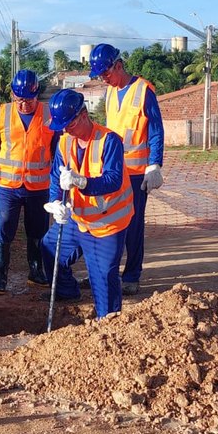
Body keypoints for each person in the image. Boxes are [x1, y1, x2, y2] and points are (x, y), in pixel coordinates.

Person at [40, 90, 133, 319]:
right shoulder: (64, 142)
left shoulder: (109, 140)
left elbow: (113, 179)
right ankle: (67, 292)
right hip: (78, 218)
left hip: (107, 222)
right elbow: (56, 176)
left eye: (69, 124)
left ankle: (109, 323)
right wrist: (55, 201)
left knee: (103, 278)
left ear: (83, 115)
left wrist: (82, 182)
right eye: (62, 126)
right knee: (49, 248)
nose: (65, 130)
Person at [88, 43, 165, 296]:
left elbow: (156, 131)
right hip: (112, 171)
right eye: (100, 75)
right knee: (106, 222)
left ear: (118, 66)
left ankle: (131, 276)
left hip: (135, 174)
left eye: (106, 73)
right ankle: (104, 272)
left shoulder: (144, 91)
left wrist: (154, 165)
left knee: (133, 226)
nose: (104, 79)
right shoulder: (110, 93)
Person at [0, 70, 57, 295]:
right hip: (9, 187)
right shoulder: (2, 114)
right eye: (19, 100)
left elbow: (58, 151)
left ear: (37, 95)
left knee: (38, 231)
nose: (23, 105)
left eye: (28, 100)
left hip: (39, 187)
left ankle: (36, 271)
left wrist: (60, 183)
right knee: (3, 229)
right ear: (12, 96)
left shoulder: (49, 114)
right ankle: (0, 277)